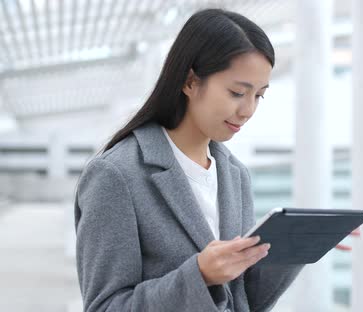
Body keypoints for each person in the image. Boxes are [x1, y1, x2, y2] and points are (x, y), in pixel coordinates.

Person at [74, 9, 303, 312]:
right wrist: (199, 275)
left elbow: (243, 300)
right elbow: (105, 307)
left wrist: (295, 249)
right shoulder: (116, 174)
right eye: (237, 92)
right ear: (190, 81)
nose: (248, 110)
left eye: (259, 95)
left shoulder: (235, 174)